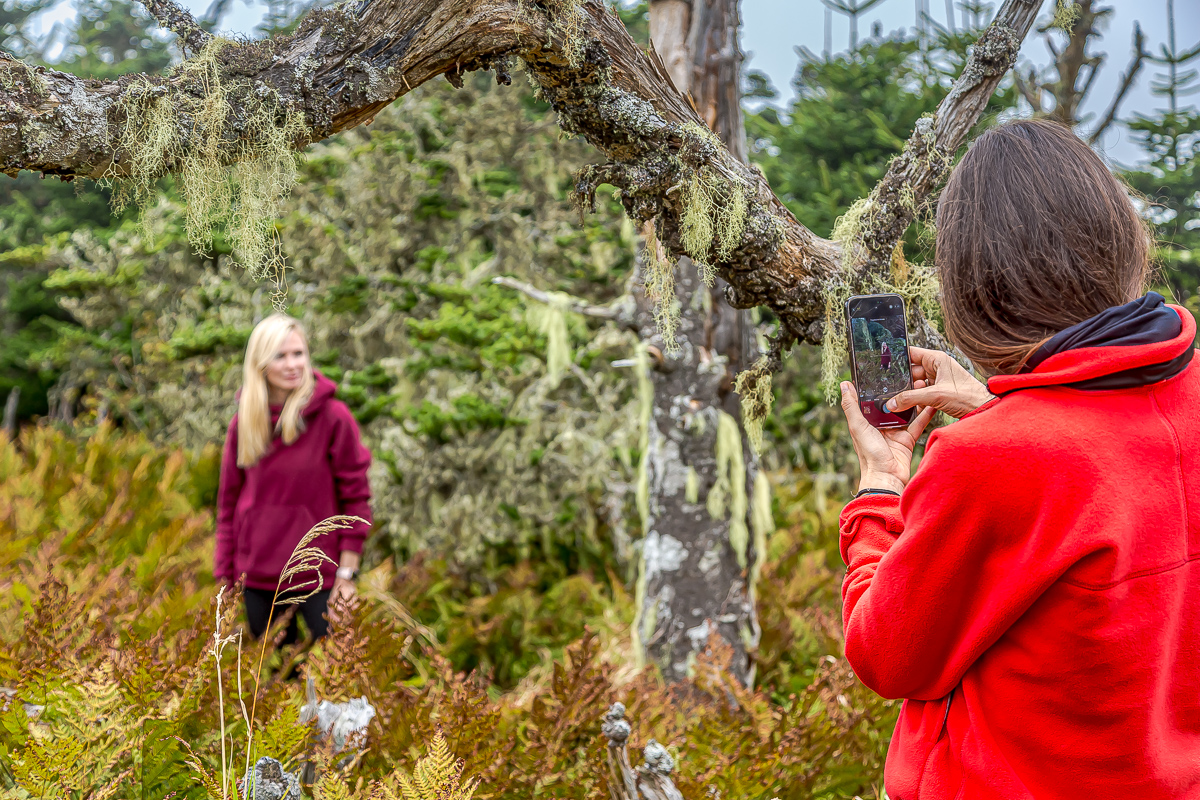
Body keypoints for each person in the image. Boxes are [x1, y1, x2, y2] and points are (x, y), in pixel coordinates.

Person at [837, 118, 1200, 798]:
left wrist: (881, 488)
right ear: (1119, 241)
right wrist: (995, 408)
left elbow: (887, 656)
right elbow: (1109, 466)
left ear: (976, 287)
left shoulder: (990, 461)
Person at [214, 313, 373, 644]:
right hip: (257, 580)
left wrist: (346, 576)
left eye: (298, 353)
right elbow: (228, 508)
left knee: (333, 684)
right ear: (260, 364)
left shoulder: (333, 418)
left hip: (320, 578)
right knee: (273, 685)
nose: (292, 365)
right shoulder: (243, 423)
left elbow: (356, 501)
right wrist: (225, 585)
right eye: (280, 355)